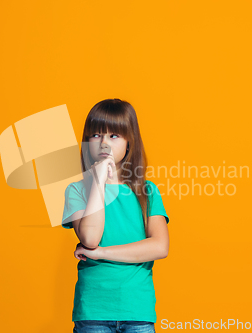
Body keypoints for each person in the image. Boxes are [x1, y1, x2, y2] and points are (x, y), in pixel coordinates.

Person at [61, 98, 170, 333]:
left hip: (137, 309)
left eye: (113, 136)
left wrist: (102, 253)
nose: (103, 144)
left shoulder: (147, 191)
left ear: (129, 141)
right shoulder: (77, 191)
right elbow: (90, 239)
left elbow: (160, 246)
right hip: (93, 311)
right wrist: (99, 180)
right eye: (96, 135)